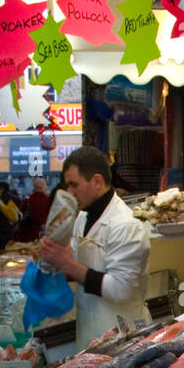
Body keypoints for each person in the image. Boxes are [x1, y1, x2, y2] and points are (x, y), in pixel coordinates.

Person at [38, 146, 151, 344]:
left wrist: (66, 263)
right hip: (90, 330)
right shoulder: (82, 217)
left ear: (97, 181)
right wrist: (53, 261)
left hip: (124, 338)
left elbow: (120, 289)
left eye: (74, 185)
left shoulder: (125, 224)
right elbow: (76, 262)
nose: (69, 193)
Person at [20, 175, 51, 241]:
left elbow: (21, 214)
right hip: (46, 233)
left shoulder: (27, 200)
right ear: (44, 187)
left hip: (29, 233)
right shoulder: (49, 200)